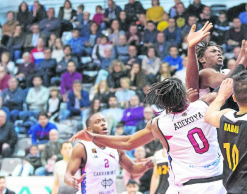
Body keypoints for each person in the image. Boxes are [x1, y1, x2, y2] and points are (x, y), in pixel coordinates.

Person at [70, 79, 227, 194]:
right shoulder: (203, 105)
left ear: (163, 105)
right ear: (183, 96)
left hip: (188, 186)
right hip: (219, 182)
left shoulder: (160, 124)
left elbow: (129, 142)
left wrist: (92, 137)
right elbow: (228, 83)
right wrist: (244, 56)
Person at [65, 113, 154, 192]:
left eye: (104, 121)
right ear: (89, 130)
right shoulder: (82, 148)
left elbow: (133, 169)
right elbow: (68, 175)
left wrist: (146, 165)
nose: (103, 123)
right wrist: (71, 181)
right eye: (97, 122)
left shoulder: (116, 146)